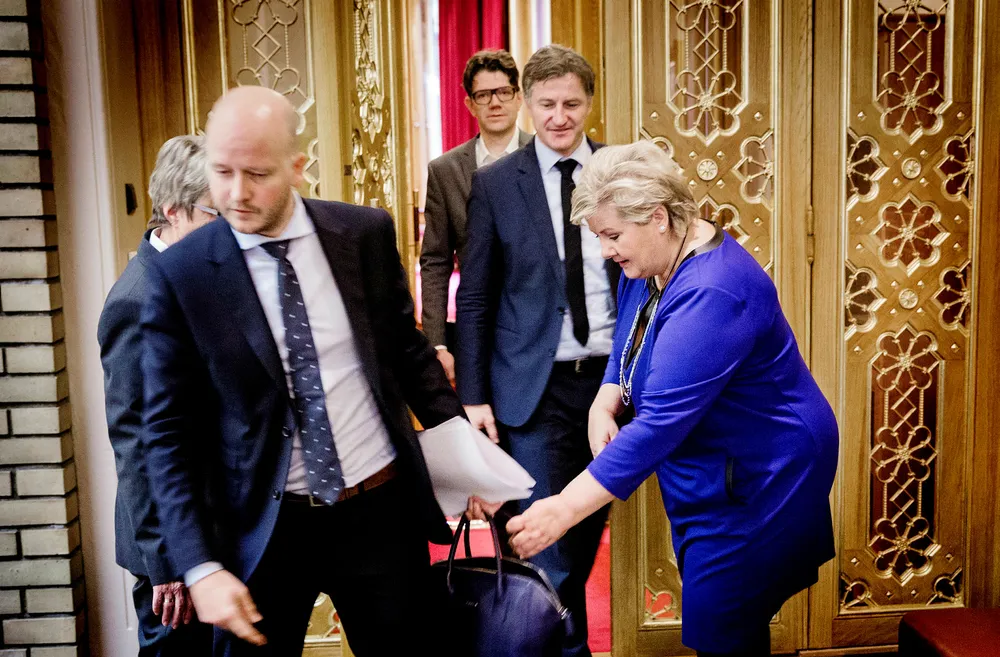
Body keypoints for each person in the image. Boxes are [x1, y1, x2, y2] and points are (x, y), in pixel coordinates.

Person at [140, 86, 465, 655]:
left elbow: (407, 353)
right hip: (262, 528)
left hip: (378, 512)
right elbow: (165, 431)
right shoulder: (182, 274)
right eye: (222, 172)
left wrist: (465, 457)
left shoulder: (362, 234)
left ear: (297, 166)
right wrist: (198, 564)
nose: (236, 194)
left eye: (257, 174)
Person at [506, 141, 839, 657]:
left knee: (722, 622)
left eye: (612, 235)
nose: (605, 251)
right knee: (728, 620)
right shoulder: (652, 261)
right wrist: (606, 396)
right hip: (716, 462)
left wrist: (564, 509)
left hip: (765, 469)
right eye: (598, 237)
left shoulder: (712, 290)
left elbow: (658, 425)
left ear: (658, 217)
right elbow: (631, 334)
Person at [455, 44, 620, 657]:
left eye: (571, 103)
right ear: (527, 103)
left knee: (586, 533)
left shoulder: (619, 171)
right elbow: (475, 297)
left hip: (615, 384)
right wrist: (473, 397)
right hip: (535, 389)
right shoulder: (497, 183)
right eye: (546, 104)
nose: (559, 117)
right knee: (547, 550)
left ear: (589, 102)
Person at [97, 135, 218, 655]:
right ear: (172, 211)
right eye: (215, 213)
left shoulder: (202, 272)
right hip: (172, 550)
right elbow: (135, 442)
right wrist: (168, 561)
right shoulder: (134, 300)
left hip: (220, 530)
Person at [420, 49, 532, 384]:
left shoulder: (545, 157)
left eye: (503, 92)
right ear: (470, 104)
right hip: (475, 328)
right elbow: (436, 260)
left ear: (519, 98)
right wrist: (437, 342)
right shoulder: (445, 171)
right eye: (484, 95)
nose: (495, 103)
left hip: (538, 326)